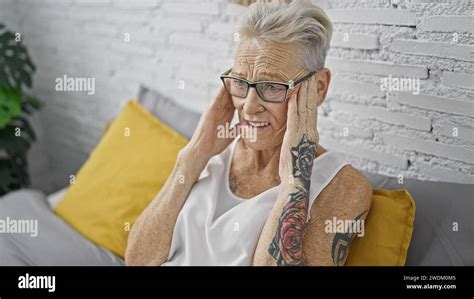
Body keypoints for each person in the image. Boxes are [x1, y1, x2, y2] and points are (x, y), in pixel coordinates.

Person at [125, 0, 373, 266]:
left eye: (272, 86)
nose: (249, 106)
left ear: (319, 87)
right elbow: (137, 260)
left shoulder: (342, 185)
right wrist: (194, 154)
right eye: (241, 82)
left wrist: (294, 181)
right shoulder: (211, 154)